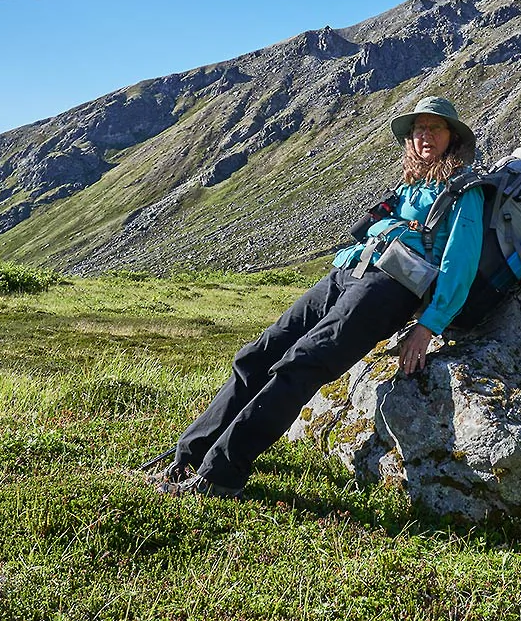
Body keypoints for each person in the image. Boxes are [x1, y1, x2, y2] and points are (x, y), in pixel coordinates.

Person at [153, 96, 485, 498]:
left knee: (303, 362)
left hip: (388, 290)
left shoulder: (465, 189)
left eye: (435, 128)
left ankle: (221, 474)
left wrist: (428, 325)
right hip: (350, 271)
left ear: (452, 138)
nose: (425, 135)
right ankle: (186, 458)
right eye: (418, 128)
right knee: (258, 354)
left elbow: (459, 263)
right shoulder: (408, 184)